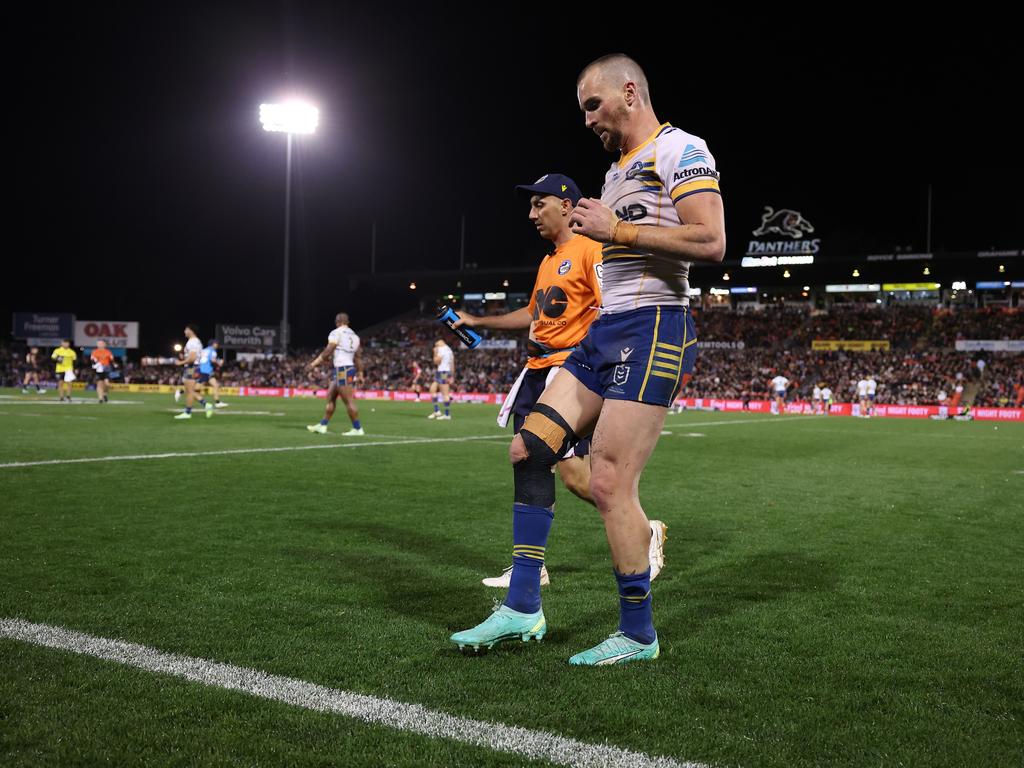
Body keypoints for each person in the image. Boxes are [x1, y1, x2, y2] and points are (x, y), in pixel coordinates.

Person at [451, 54, 725, 665]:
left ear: (630, 91)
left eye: (592, 105)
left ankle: (637, 634)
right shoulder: (616, 172)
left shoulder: (679, 149)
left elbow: (711, 240)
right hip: (605, 333)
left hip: (654, 326)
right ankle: (523, 608)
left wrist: (616, 231)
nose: (587, 119)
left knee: (607, 481)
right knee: (529, 447)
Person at [455, 172, 668, 589]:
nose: (532, 213)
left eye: (540, 204)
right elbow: (535, 313)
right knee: (539, 466)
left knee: (566, 472)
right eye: (531, 206)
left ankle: (644, 531)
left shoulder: (591, 250)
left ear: (567, 206)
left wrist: (597, 365)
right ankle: (531, 566)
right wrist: (478, 320)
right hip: (535, 373)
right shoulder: (550, 260)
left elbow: (612, 310)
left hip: (565, 375)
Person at [307, 313, 365, 435]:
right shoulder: (355, 336)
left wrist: (313, 364)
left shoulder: (336, 333)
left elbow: (328, 351)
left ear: (337, 321)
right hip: (346, 368)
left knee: (348, 401)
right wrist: (360, 374)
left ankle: (358, 428)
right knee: (330, 396)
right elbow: (358, 357)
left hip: (342, 369)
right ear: (348, 322)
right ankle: (322, 425)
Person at [174, 325, 213, 420]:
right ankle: (206, 405)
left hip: (192, 367)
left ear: (191, 331)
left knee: (190, 391)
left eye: (186, 329)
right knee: (189, 390)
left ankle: (188, 412)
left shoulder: (193, 342)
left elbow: (192, 358)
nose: (184, 331)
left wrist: (180, 362)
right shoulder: (196, 341)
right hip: (194, 367)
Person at [196, 340, 228, 408]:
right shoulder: (212, 351)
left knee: (216, 385)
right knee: (196, 389)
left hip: (205, 370)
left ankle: (217, 402)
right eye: (216, 344)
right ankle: (181, 391)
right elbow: (213, 360)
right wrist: (219, 362)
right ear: (213, 344)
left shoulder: (204, 350)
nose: (217, 345)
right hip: (205, 371)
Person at [428, 340, 454, 420]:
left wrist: (435, 352)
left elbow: (436, 361)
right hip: (443, 372)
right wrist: (452, 375)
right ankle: (437, 411)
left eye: (436, 345)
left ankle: (447, 415)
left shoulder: (441, 349)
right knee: (432, 389)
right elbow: (452, 363)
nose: (435, 346)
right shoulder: (449, 349)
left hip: (443, 372)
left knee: (445, 394)